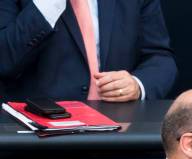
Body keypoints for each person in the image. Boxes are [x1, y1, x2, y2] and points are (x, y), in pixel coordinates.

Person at [0, 0, 177, 101]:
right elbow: (4, 59)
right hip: (37, 140)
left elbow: (160, 58)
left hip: (119, 135)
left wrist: (137, 85)